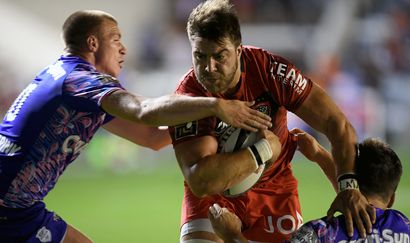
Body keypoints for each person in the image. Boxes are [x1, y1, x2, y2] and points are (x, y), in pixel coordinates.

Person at [0, 10, 273, 243]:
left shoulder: (66, 79)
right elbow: (144, 111)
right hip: (10, 208)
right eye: (116, 39)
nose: (123, 48)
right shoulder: (81, 80)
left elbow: (151, 137)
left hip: (19, 207)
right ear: (92, 43)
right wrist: (215, 105)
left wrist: (211, 126)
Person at [168, 0, 375, 242]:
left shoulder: (271, 72)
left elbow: (335, 123)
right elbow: (201, 181)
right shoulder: (188, 96)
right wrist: (265, 149)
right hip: (214, 196)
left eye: (219, 56)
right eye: (199, 56)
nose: (209, 67)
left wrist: (348, 185)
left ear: (238, 50)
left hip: (274, 190)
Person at [208, 129, 410, 243]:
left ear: (349, 181)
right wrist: (319, 155)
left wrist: (232, 235)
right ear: (392, 198)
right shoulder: (403, 228)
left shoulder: (319, 234)